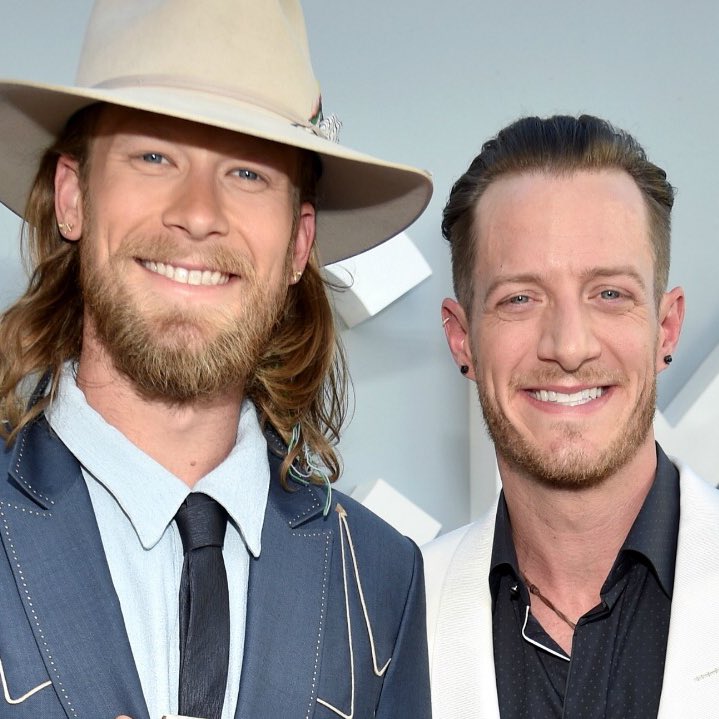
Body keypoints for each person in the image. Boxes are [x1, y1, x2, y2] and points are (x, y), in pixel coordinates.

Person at [0, 1, 433, 718]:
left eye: (248, 173)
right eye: (154, 156)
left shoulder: (380, 579)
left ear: (298, 243)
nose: (199, 213)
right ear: (72, 196)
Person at [424, 114, 719, 718]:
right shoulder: (392, 621)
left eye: (609, 294)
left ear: (665, 328)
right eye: (520, 298)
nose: (569, 346)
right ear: (462, 339)